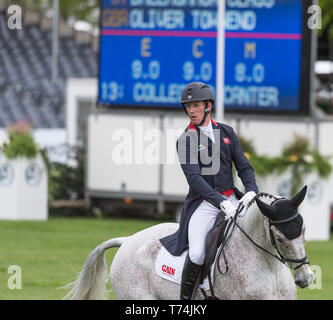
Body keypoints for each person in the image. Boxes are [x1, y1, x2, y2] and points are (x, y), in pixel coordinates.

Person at [159, 82, 259, 300]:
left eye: (196, 105)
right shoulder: (185, 140)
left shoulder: (226, 132)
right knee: (196, 253)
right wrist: (218, 200)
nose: (191, 111)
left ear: (208, 106)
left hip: (233, 198)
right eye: (188, 106)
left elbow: (243, 166)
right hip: (204, 203)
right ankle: (187, 302)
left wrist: (251, 191)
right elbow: (194, 179)